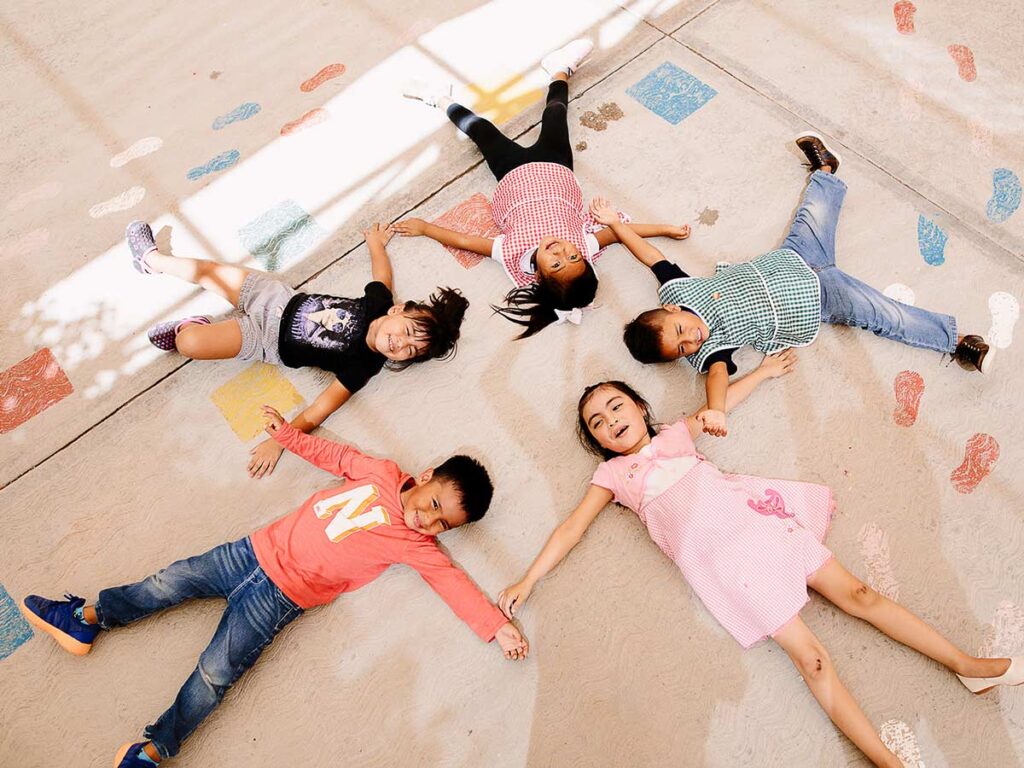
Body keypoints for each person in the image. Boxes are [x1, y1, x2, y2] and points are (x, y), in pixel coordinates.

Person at [498, 379, 1020, 768]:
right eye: (597, 421)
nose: (610, 418)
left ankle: (966, 664)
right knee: (813, 660)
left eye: (616, 405)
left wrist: (765, 370)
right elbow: (571, 528)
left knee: (859, 594)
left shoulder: (677, 435)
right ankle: (887, 762)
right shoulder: (613, 476)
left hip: (760, 527)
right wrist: (527, 580)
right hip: (726, 569)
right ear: (600, 443)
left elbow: (718, 405)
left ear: (640, 408)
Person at [20, 407, 528, 766]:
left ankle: (153, 750)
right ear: (426, 476)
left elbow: (452, 583)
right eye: (434, 505)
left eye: (443, 526)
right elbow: (336, 456)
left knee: (215, 673)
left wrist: (495, 626)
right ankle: (88, 618)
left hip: (278, 599)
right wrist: (289, 436)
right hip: (248, 550)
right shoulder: (381, 471)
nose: (427, 522)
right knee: (168, 581)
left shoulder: (417, 547)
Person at [612, 133, 993, 438]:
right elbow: (716, 378)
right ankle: (958, 343)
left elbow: (650, 257)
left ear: (673, 310)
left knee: (812, 215)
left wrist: (616, 225)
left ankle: (825, 170)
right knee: (884, 314)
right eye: (682, 349)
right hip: (822, 298)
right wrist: (715, 410)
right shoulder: (709, 352)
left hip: (794, 257)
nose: (691, 339)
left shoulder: (678, 290)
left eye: (681, 331)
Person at [398, 39, 690, 337]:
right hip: (556, 167)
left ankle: (439, 99)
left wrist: (425, 228)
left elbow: (465, 240)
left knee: (479, 129)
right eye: (573, 257)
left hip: (512, 173)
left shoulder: (510, 252)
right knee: (555, 113)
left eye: (556, 264)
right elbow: (619, 233)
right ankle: (560, 69)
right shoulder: (584, 243)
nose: (562, 253)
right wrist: (664, 228)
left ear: (537, 274)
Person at [126, 221, 467, 476]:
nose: (400, 344)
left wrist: (281, 441)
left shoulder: (363, 366)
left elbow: (320, 410)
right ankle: (152, 260)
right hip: (273, 297)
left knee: (189, 345)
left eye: (409, 351)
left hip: (264, 340)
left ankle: (191, 326)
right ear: (398, 310)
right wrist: (377, 243)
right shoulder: (379, 303)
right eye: (407, 333)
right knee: (208, 272)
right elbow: (382, 275)